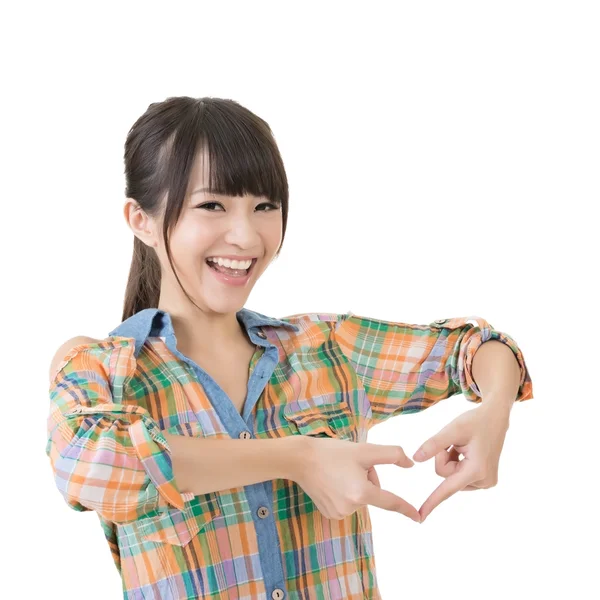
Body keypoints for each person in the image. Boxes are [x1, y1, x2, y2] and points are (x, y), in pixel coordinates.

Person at [46, 96, 534, 600]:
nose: (245, 234)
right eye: (212, 205)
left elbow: (475, 348)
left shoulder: (323, 350)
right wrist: (298, 457)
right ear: (141, 219)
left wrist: (496, 408)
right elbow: (91, 465)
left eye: (264, 207)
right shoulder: (104, 370)